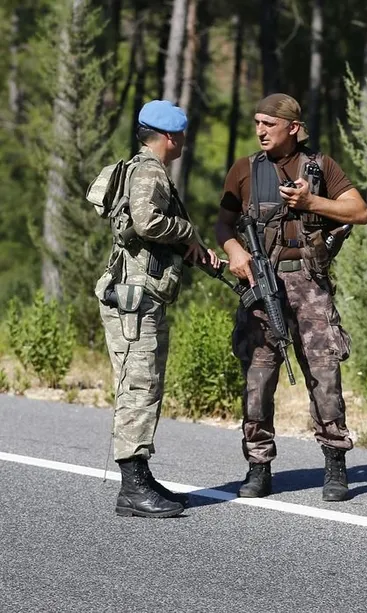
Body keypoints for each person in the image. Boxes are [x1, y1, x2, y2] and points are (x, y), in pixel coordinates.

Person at [215, 93, 367, 502]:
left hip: (308, 281)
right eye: (257, 123)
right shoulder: (245, 170)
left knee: (324, 371)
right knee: (259, 374)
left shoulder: (320, 168)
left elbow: (359, 211)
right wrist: (234, 251)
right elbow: (223, 224)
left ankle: (335, 465)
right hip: (261, 283)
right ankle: (258, 465)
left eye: (269, 123)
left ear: (293, 128)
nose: (261, 130)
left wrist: (312, 202)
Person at [94, 99, 219, 518]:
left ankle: (140, 477)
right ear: (169, 137)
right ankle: (132, 486)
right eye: (181, 136)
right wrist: (187, 230)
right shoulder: (150, 172)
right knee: (140, 385)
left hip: (136, 295)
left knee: (141, 382)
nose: (183, 141)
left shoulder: (138, 168)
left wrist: (192, 250)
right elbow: (148, 222)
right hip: (136, 299)